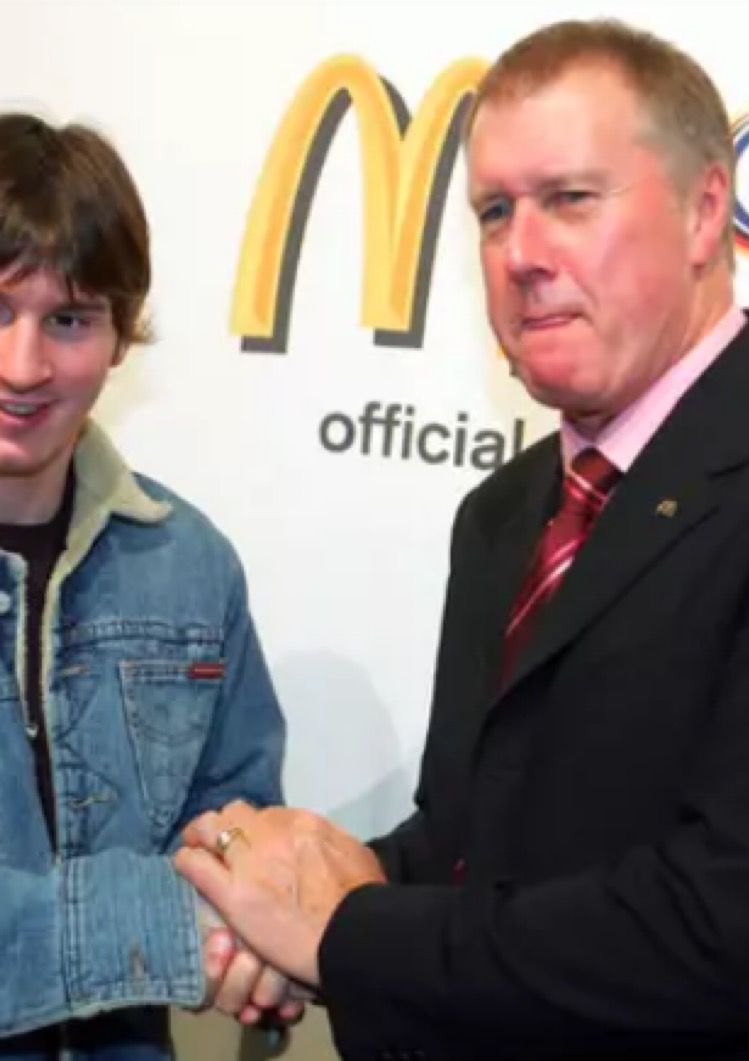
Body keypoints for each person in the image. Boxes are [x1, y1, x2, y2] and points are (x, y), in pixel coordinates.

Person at [176, 18, 749, 1059]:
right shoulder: (499, 512)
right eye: (492, 211)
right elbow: (474, 853)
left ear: (705, 207)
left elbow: (718, 920)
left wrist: (345, 929)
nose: (521, 253)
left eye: (569, 199)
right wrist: (323, 878)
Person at [0, 112, 293, 1061]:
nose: (23, 367)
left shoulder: (193, 565)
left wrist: (262, 939)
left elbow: (243, 850)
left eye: (69, 320)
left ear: (118, 339)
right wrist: (140, 929)